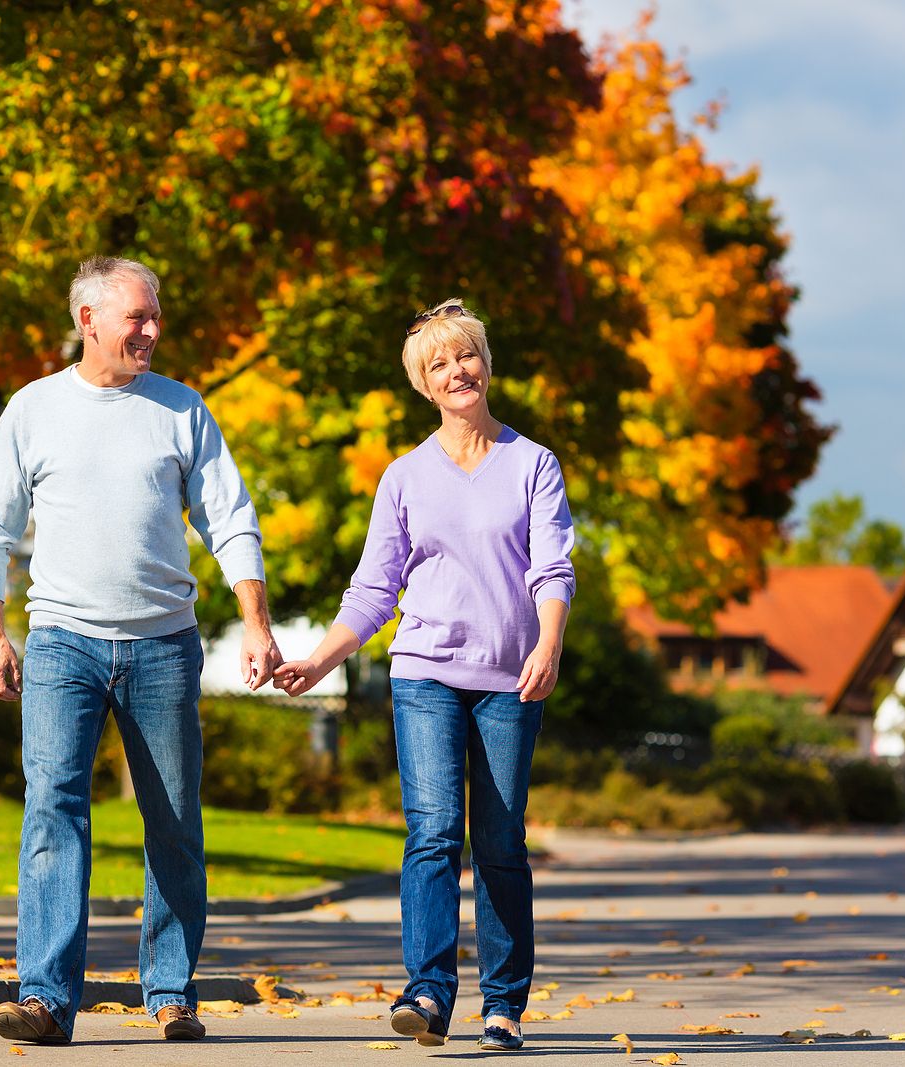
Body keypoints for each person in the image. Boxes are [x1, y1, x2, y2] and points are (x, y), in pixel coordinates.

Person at [0, 256, 282, 1045]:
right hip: (62, 641)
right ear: (87, 320)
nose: (150, 330)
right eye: (137, 316)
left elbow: (230, 518)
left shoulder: (180, 409)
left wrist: (256, 618)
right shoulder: (32, 409)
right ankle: (44, 998)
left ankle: (171, 990)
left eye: (155, 316)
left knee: (172, 820)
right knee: (52, 810)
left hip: (163, 646)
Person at [274, 298, 575, 1053]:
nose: (456, 371)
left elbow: (552, 567)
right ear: (422, 383)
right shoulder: (405, 477)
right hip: (425, 673)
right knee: (434, 832)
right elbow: (374, 589)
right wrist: (320, 657)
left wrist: (549, 643)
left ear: (485, 363)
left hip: (511, 677)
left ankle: (503, 1002)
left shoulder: (532, 463)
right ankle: (429, 992)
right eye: (437, 364)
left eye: (465, 356)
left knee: (500, 841)